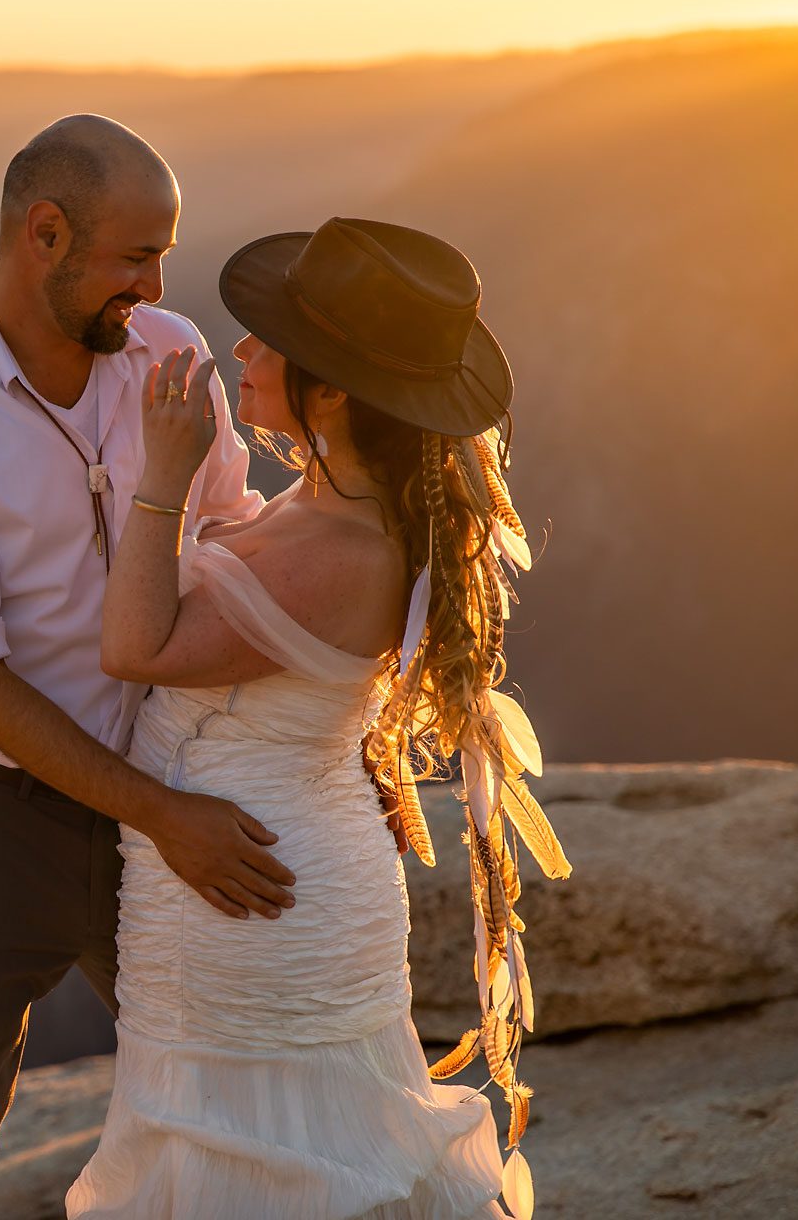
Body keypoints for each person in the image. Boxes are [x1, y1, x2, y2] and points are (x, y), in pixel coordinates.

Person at [66, 217, 561, 1218]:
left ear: (331, 391)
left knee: (260, 1164)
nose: (239, 351)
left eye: (267, 341)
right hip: (248, 876)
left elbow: (136, 647)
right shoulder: (329, 502)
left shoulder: (345, 551)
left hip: (255, 888)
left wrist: (165, 475)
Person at [0, 114, 294, 1219]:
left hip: (176, 780)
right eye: (135, 255)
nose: (153, 282)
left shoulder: (173, 350)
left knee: (242, 1102)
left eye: (164, 256)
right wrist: (164, 816)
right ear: (44, 234)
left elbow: (233, 540)